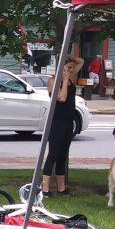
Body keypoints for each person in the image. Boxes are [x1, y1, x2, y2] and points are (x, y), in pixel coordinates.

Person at [41, 53, 84, 196]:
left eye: (72, 69)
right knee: (53, 154)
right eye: (68, 68)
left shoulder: (70, 78)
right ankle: (45, 189)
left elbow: (81, 61)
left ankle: (62, 188)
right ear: (60, 68)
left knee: (63, 155)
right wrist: (64, 80)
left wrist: (67, 56)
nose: (71, 71)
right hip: (57, 122)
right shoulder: (53, 81)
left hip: (68, 122)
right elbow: (61, 98)